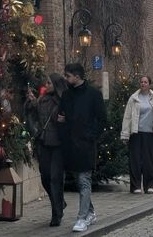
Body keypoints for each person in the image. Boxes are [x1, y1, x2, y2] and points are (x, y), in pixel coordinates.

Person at [58, 63, 107, 234]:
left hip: (86, 145)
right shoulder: (66, 94)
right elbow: (62, 115)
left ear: (77, 76)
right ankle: (91, 212)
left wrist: (90, 135)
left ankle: (81, 218)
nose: (66, 79)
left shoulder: (94, 94)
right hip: (70, 144)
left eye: (68, 76)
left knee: (84, 180)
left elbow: (102, 119)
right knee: (79, 180)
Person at [25, 73, 67, 227]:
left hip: (58, 144)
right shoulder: (42, 100)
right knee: (45, 177)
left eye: (49, 83)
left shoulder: (63, 100)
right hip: (44, 142)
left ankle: (57, 214)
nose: (46, 85)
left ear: (56, 85)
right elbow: (33, 114)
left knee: (56, 178)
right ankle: (59, 201)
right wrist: (30, 102)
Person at [120, 74, 153, 194]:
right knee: (135, 160)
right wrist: (125, 134)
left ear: (149, 84)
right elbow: (127, 117)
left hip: (150, 133)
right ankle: (135, 186)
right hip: (136, 132)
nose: (143, 84)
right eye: (141, 82)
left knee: (148, 160)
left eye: (145, 82)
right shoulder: (134, 98)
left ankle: (149, 185)